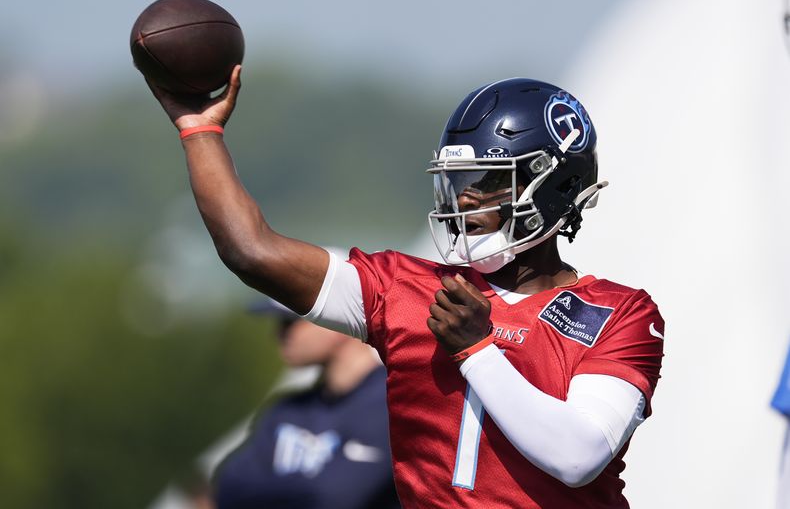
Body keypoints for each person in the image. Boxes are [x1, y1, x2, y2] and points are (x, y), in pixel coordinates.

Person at [144, 69, 665, 508]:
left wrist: (478, 351)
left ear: (553, 186)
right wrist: (200, 132)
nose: (464, 201)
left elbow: (577, 456)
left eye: (485, 181)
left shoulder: (621, 312)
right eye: (459, 183)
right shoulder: (402, 289)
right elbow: (252, 251)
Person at [213, 298, 399, 509]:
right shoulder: (287, 409)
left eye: (290, 321)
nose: (279, 334)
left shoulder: (394, 406)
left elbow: (334, 499)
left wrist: (269, 490)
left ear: (339, 317)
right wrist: (309, 487)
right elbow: (229, 489)